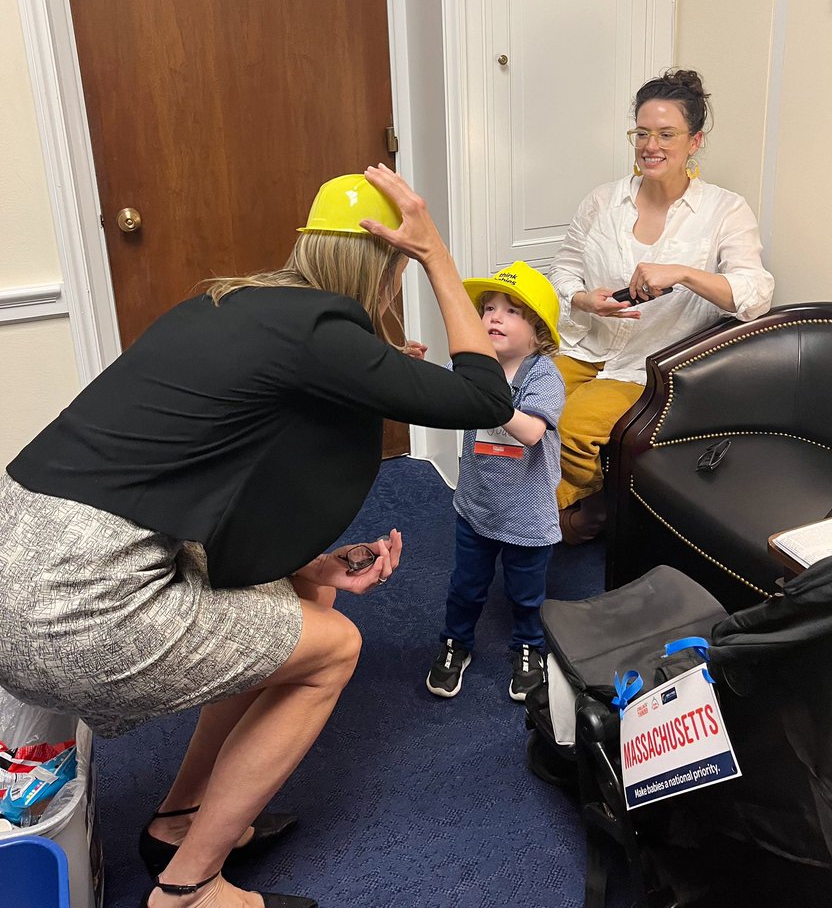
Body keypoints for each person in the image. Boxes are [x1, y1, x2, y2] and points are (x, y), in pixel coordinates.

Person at [0, 166, 513, 908]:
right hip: (72, 610)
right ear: (386, 265)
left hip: (18, 564)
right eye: (401, 268)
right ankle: (190, 891)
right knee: (335, 651)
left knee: (294, 601)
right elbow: (485, 395)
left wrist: (308, 565)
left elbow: (229, 476)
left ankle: (180, 819)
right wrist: (436, 252)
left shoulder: (227, 303)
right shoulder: (326, 332)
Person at [549, 70, 775, 544]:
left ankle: (560, 519)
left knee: (572, 427)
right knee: (517, 405)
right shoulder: (601, 202)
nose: (651, 145)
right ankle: (540, 510)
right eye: (642, 133)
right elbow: (563, 272)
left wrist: (684, 273)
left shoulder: (725, 211)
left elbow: (755, 294)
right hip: (586, 345)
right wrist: (584, 298)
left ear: (694, 141)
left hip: (647, 366)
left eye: (666, 134)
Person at [425, 262, 565, 703]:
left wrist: (488, 401)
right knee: (465, 585)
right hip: (476, 505)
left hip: (527, 513)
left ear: (538, 331)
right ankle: (457, 643)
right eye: (488, 309)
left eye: (512, 311)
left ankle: (529, 649)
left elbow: (531, 432)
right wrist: (413, 372)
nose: (494, 317)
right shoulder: (473, 366)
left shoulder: (543, 375)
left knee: (526, 594)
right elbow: (442, 403)